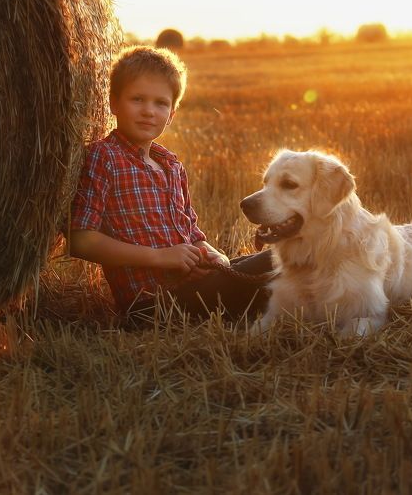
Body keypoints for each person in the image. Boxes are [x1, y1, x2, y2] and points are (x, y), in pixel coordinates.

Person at [69, 45, 272, 322]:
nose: (148, 111)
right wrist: (160, 257)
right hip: (153, 306)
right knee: (278, 263)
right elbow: (81, 241)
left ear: (172, 114)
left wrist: (215, 258)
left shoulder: (171, 165)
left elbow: (192, 235)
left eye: (160, 103)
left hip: (194, 287)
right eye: (137, 99)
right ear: (113, 103)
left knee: (286, 256)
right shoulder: (104, 157)